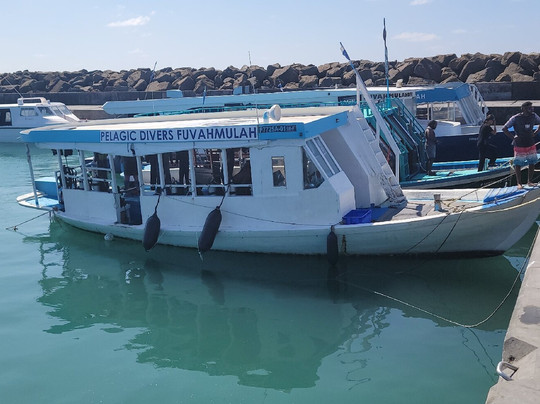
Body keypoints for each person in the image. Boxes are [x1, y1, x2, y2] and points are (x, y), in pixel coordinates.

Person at [502, 101, 540, 188]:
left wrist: (536, 132)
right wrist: (513, 137)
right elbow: (504, 128)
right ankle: (519, 183)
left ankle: (529, 181)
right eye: (529, 108)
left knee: (532, 162)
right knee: (518, 163)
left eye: (532, 107)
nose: (531, 109)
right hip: (519, 144)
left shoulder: (534, 116)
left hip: (530, 143)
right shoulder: (516, 118)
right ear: (523, 109)